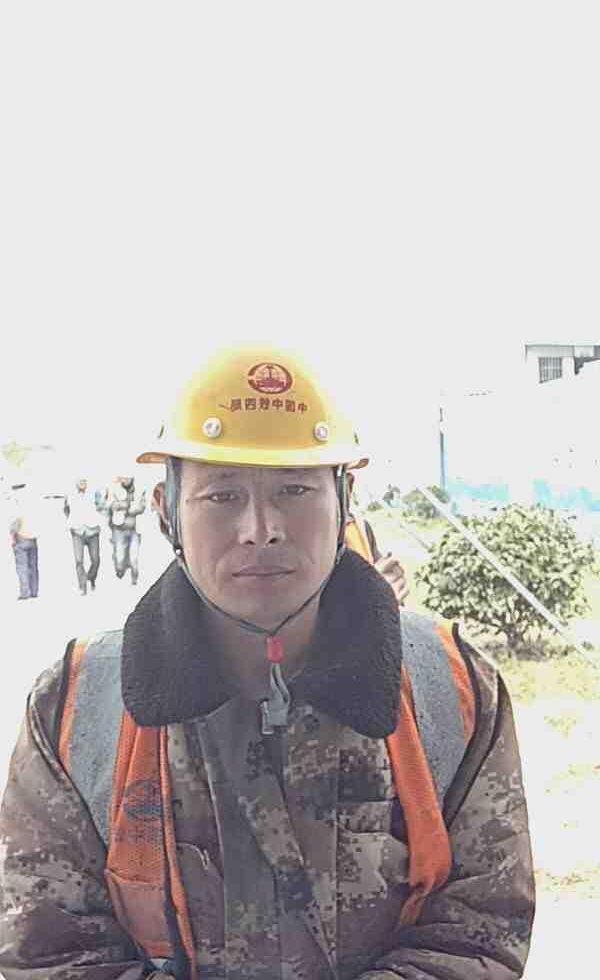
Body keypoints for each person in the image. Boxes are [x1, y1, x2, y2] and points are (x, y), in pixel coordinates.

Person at [0, 347, 535, 980]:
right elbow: (50, 951)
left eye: (294, 490)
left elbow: (479, 936)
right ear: (166, 511)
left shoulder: (450, 688)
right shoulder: (78, 707)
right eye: (222, 495)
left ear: (345, 500)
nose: (261, 528)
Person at [101, 475, 146, 585]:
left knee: (134, 558)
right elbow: (109, 505)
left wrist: (127, 508)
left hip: (135, 530)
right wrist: (123, 505)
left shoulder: (139, 490)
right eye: (124, 478)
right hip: (118, 529)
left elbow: (141, 507)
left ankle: (134, 580)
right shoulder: (115, 489)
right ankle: (120, 571)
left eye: (128, 478)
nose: (125, 480)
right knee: (119, 559)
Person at [63, 478, 103, 595]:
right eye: (80, 482)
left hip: (93, 531)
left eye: (84, 482)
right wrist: (71, 523)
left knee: (95, 560)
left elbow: (101, 507)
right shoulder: (69, 495)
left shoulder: (95, 493)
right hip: (77, 532)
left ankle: (91, 577)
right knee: (79, 561)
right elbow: (66, 510)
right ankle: (82, 584)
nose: (82, 484)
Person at [7, 484, 40, 600]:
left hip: (21, 537)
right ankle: (34, 591)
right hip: (33, 537)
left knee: (22, 567)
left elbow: (15, 521)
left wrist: (13, 535)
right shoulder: (32, 500)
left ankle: (25, 592)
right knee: (33, 566)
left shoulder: (15, 502)